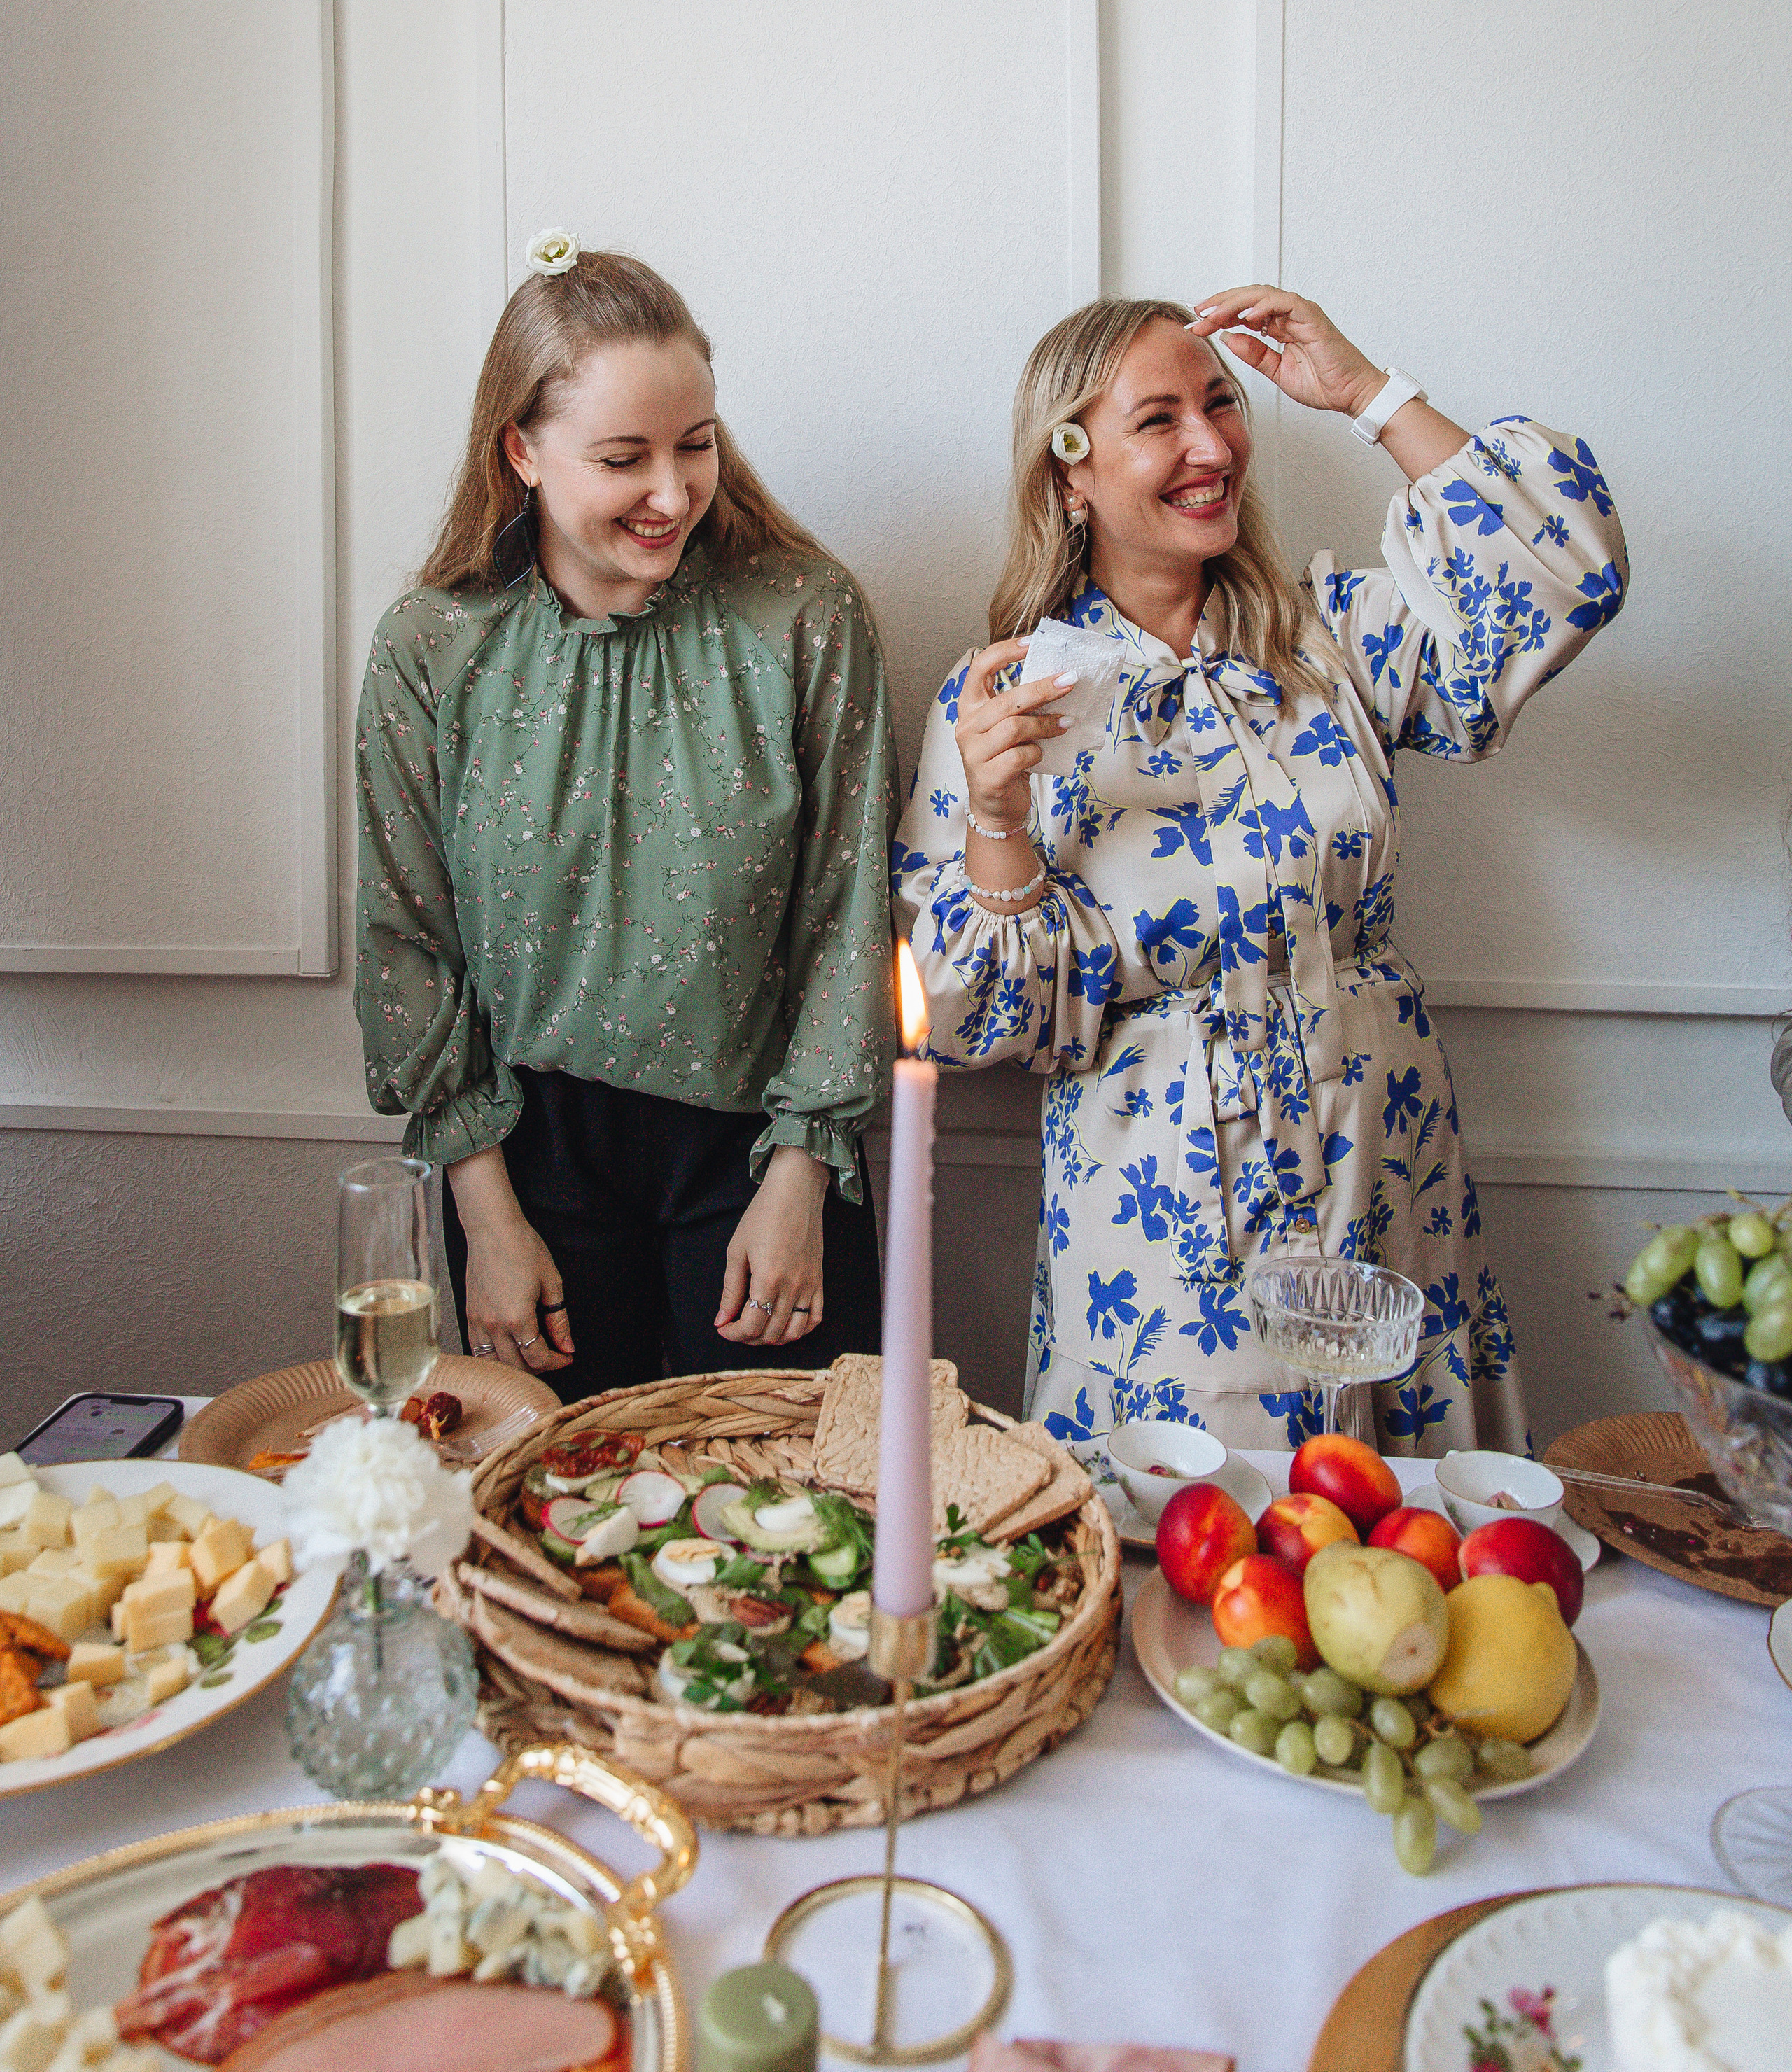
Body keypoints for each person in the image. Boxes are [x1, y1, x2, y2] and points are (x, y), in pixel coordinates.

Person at [892, 290, 1628, 1457]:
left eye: (1222, 404)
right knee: (1194, 1549)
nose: (1211, 446)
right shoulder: (1003, 700)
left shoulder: (1330, 636)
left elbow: (1561, 579)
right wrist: (993, 816)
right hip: (1163, 1190)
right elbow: (975, 1018)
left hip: (1384, 1144)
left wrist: (1366, 393)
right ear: (1070, 473)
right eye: (1161, 419)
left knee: (1416, 1548)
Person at [356, 244, 897, 1396]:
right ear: (523, 452)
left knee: (787, 1528)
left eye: (695, 444)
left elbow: (847, 916)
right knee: (552, 1527)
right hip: (526, 1170)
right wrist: (485, 1216)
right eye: (623, 457)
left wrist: (804, 1171)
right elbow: (410, 940)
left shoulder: (804, 615)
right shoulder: (432, 647)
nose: (672, 492)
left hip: (762, 1156)